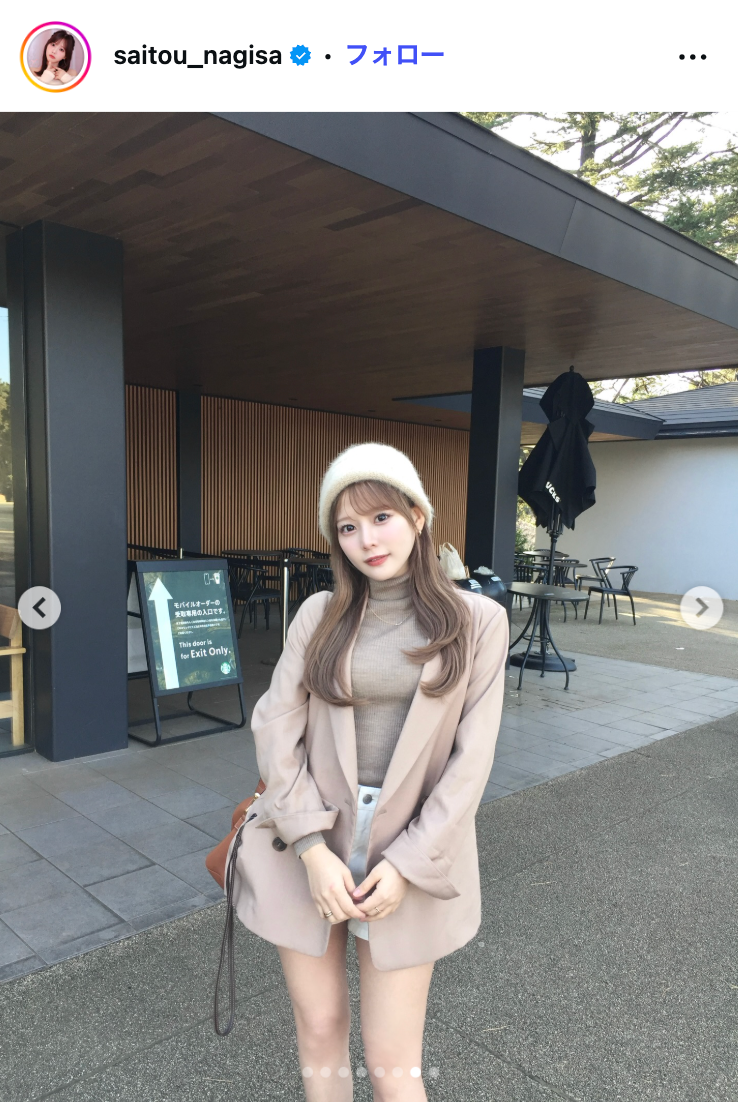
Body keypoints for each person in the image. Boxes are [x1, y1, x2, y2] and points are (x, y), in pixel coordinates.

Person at [231, 443, 508, 1100]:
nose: (366, 540)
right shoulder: (319, 614)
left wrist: (408, 863)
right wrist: (310, 849)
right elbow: (276, 727)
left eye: (381, 517)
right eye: (348, 527)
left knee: (392, 1062)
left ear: (417, 516)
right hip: (309, 835)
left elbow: (471, 761)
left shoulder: (478, 621)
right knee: (319, 1027)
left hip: (411, 842)